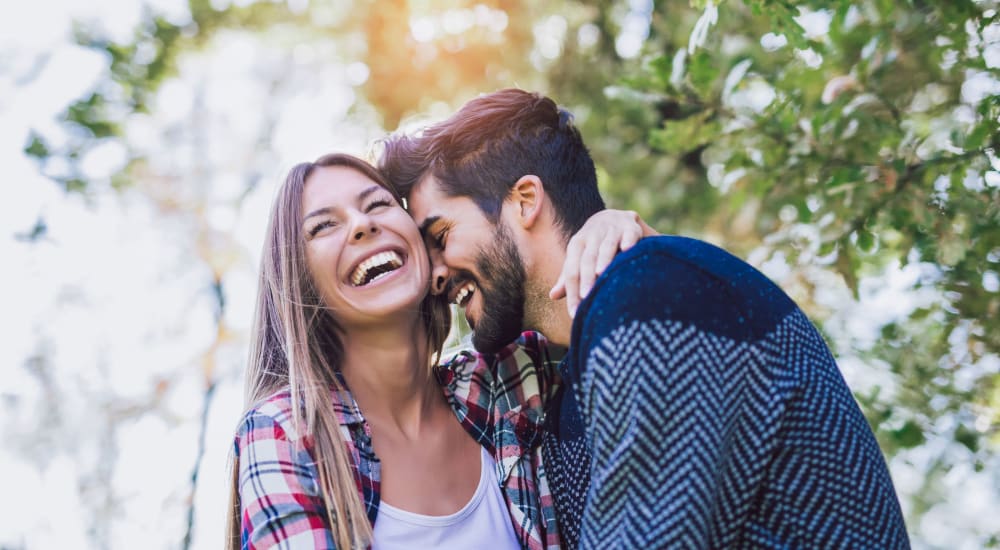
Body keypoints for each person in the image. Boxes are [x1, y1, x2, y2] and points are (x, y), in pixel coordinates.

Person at [379, 88, 911, 548]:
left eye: (442, 237)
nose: (436, 275)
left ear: (524, 201)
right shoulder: (561, 383)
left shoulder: (652, 293)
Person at [225, 152, 651, 549]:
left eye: (377, 205)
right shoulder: (285, 434)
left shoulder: (504, 381)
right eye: (323, 226)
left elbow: (644, 328)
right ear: (300, 282)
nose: (361, 224)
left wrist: (615, 236)